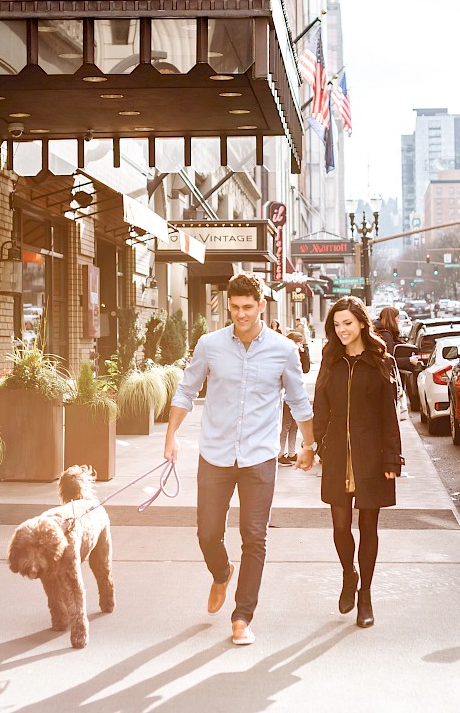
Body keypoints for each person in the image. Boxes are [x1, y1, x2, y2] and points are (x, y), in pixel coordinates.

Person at [165, 272, 315, 647]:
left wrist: (309, 445)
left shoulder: (283, 349)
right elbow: (186, 389)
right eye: (234, 307)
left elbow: (298, 401)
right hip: (214, 454)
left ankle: (242, 616)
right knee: (207, 532)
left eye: (248, 307)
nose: (241, 315)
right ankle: (221, 572)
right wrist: (171, 435)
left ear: (261, 305)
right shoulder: (210, 344)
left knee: (254, 536)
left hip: (259, 457)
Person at [301, 296, 402, 629]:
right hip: (336, 456)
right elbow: (320, 409)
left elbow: (390, 416)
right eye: (336, 324)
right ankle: (349, 574)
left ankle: (366, 596)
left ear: (361, 323)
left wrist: (392, 457)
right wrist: (312, 446)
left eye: (347, 323)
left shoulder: (380, 362)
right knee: (341, 526)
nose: (341, 329)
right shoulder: (330, 360)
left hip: (371, 455)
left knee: (368, 528)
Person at [277, 330, 311, 466]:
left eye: (301, 342)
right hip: (286, 395)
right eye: (298, 342)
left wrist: (304, 352)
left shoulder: (297, 354)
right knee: (285, 425)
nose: (300, 345)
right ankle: (280, 453)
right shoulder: (282, 354)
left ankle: (291, 452)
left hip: (297, 393)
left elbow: (306, 369)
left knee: (294, 425)